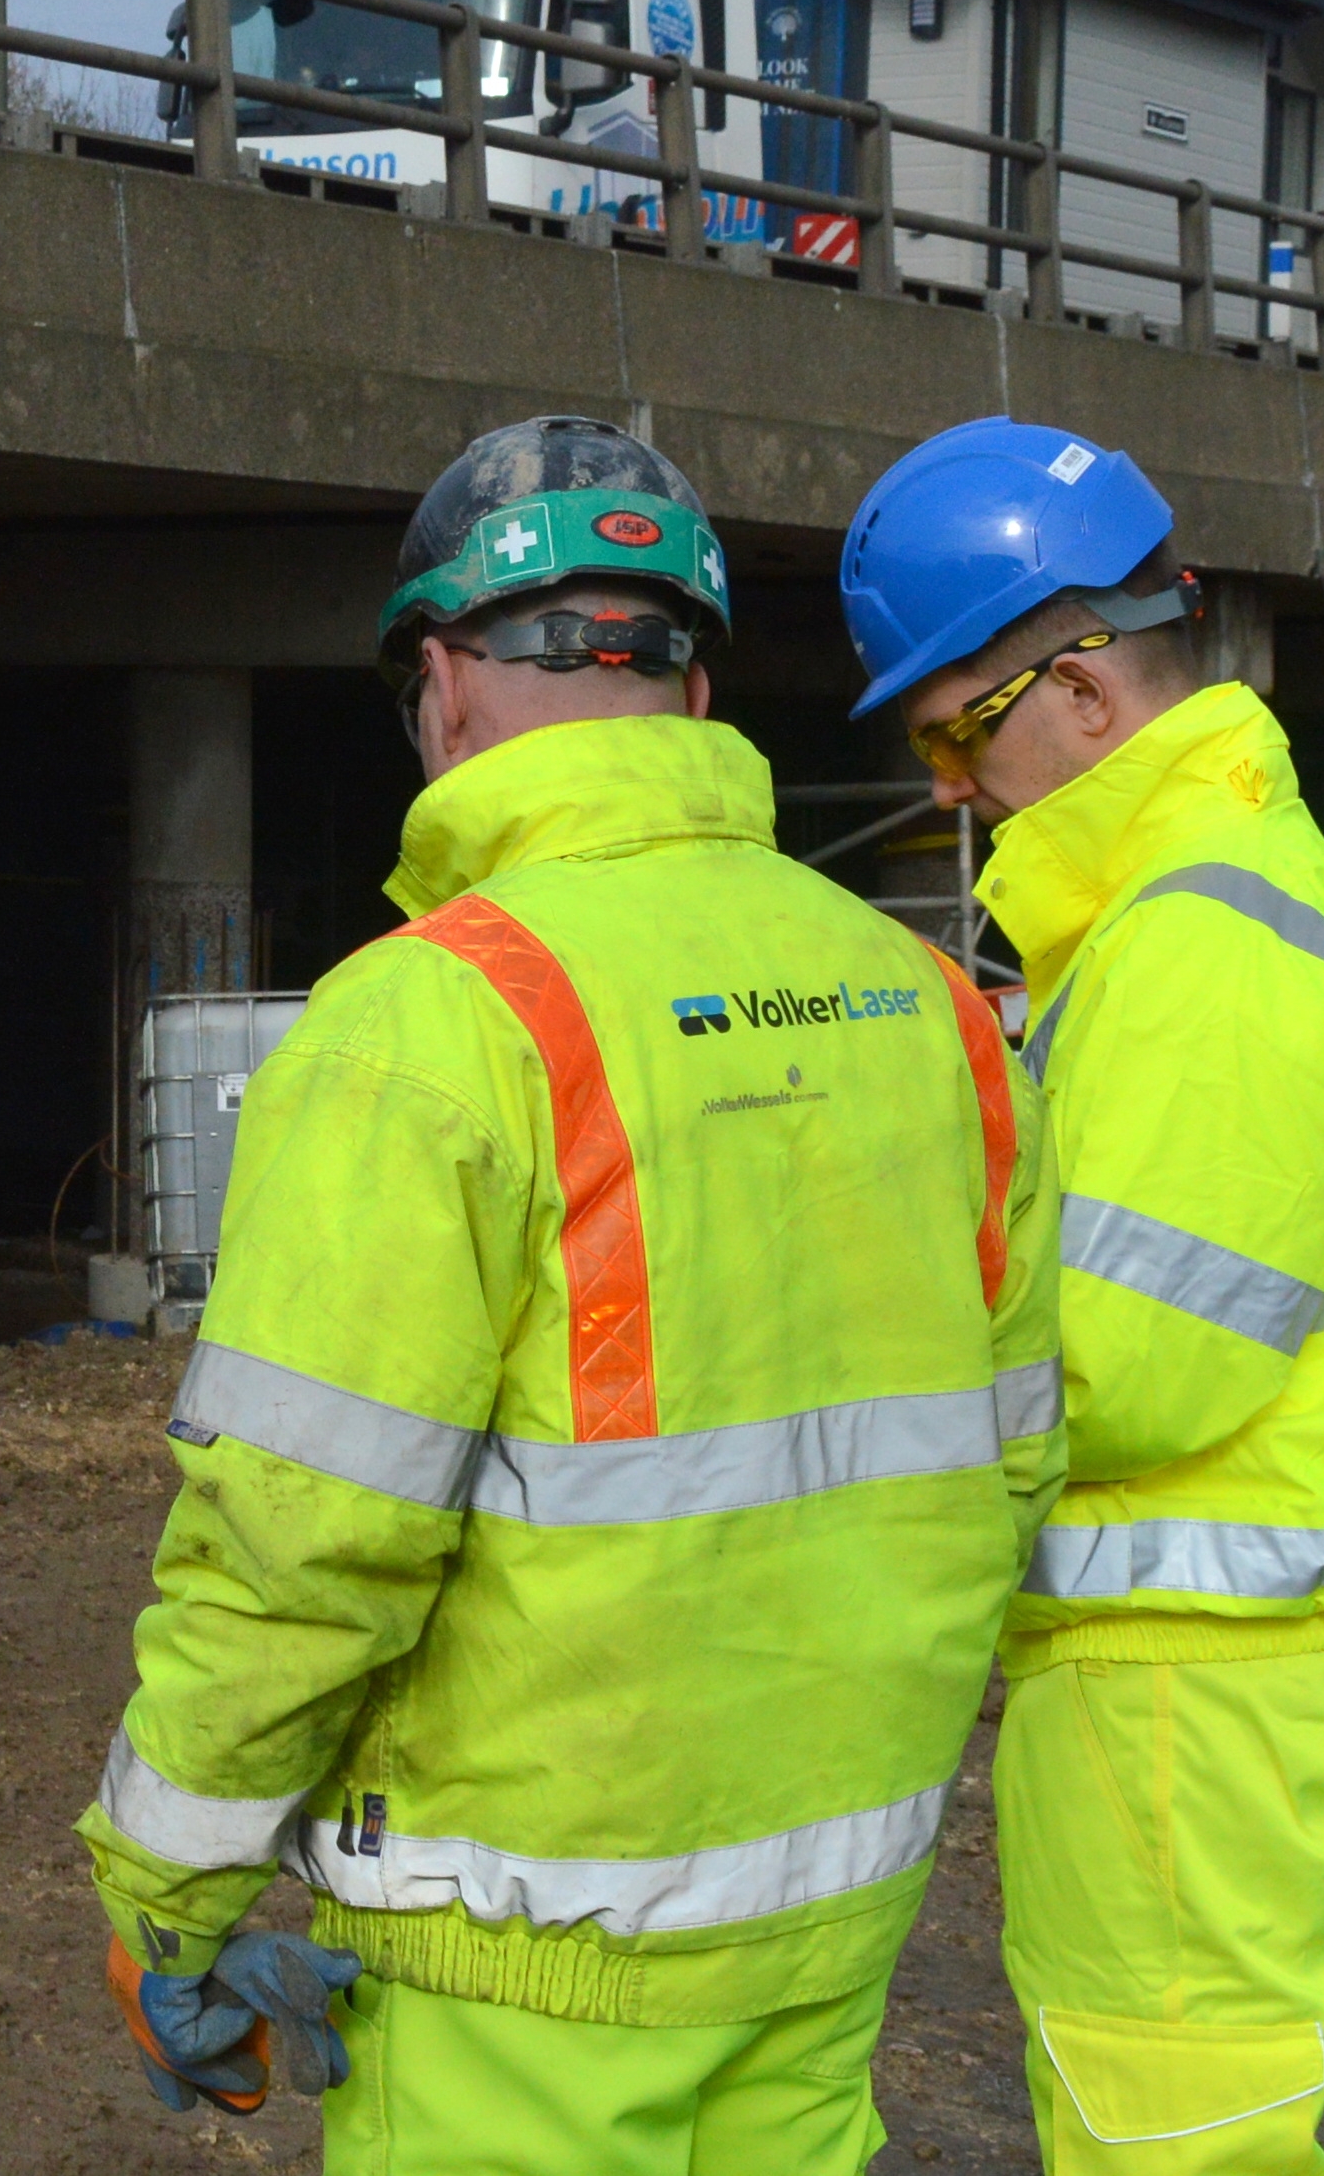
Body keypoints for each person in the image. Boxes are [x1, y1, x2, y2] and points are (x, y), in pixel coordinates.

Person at [80, 415, 1061, 2176]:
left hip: (520, 1953)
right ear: (694, 694)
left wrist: (172, 1885)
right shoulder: (930, 1003)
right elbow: (1015, 1453)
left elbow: (304, 1536)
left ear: (443, 683)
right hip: (836, 1900)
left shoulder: (430, 1024)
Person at [837, 417, 1324, 2176]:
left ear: (1083, 688)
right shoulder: (1216, 901)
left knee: (1173, 2147)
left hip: (1192, 1688)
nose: (947, 783)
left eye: (959, 726)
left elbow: (1123, 1371)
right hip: (1241, 1667)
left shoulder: (1199, 939)